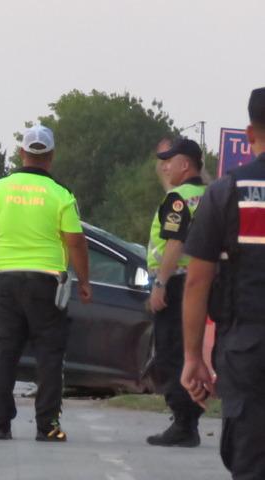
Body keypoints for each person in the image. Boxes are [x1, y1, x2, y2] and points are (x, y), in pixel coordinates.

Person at [0, 124, 91, 441]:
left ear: (22, 153)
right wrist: (84, 281)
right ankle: (47, 426)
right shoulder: (61, 195)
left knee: (4, 353)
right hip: (46, 284)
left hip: (6, 282)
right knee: (50, 355)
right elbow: (76, 242)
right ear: (50, 156)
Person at [182, 87, 265, 479]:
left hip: (247, 350)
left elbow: (197, 282)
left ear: (250, 134)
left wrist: (192, 357)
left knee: (249, 457)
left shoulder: (225, 193)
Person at [144, 137, 207, 447]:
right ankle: (190, 419)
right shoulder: (210, 194)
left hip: (177, 281)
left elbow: (174, 242)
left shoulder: (178, 199)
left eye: (170, 160)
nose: (164, 166)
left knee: (170, 352)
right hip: (204, 282)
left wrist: (160, 284)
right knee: (193, 351)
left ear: (185, 165)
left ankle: (183, 423)